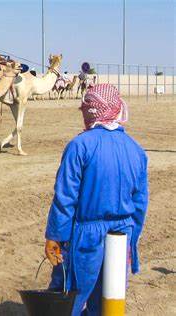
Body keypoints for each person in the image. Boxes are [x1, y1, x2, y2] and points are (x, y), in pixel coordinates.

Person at [44, 84, 148, 315]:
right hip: (122, 234)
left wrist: (55, 236)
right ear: (117, 108)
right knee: (109, 299)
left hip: (86, 237)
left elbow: (65, 198)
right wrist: (131, 237)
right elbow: (140, 203)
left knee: (73, 295)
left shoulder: (79, 146)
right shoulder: (136, 150)